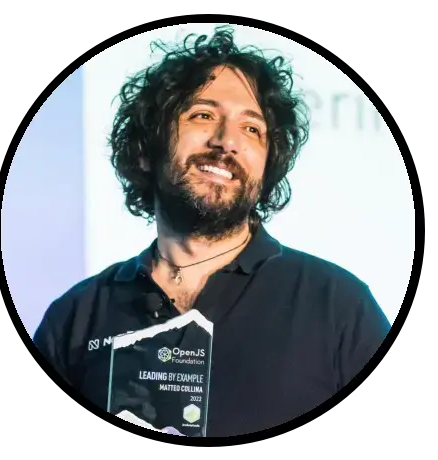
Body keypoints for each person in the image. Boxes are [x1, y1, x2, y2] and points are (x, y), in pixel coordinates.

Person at [33, 25, 391, 437]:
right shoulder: (75, 317)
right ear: (146, 150)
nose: (227, 142)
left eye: (251, 129)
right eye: (202, 115)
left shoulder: (340, 307)